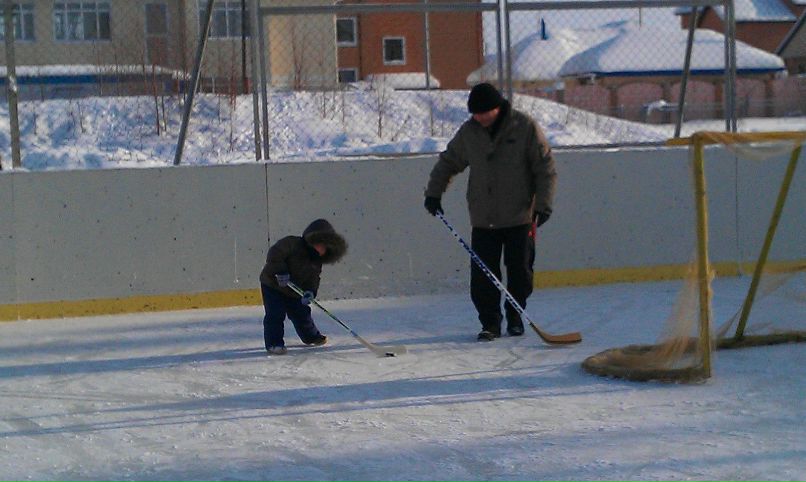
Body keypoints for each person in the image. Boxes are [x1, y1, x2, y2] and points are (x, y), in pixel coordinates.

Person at [424, 83, 556, 341]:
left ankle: (515, 316)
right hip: (484, 218)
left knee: (520, 272)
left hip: (520, 216)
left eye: (485, 112)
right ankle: (490, 323)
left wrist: (543, 204)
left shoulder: (524, 127)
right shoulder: (469, 132)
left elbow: (545, 167)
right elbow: (449, 161)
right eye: (475, 114)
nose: (480, 118)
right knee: (483, 276)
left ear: (498, 108)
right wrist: (434, 192)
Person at [259, 219, 348, 354]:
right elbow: (275, 254)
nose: (322, 249)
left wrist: (310, 292)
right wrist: (280, 271)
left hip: (294, 289)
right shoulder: (292, 243)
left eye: (325, 247)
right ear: (312, 239)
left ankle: (310, 336)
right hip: (273, 285)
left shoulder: (316, 261)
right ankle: (274, 343)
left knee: (302, 313)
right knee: (275, 313)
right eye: (321, 244)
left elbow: (314, 279)